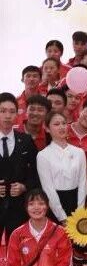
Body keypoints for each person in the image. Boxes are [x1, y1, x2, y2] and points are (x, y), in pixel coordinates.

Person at [0, 92, 40, 240]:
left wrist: (24, 187)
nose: (7, 116)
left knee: (19, 248)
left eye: (12, 111)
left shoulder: (26, 141)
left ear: (17, 114)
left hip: (18, 209)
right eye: (3, 111)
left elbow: (36, 174)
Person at [37, 111, 85, 223]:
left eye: (64, 123)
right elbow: (48, 188)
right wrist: (61, 216)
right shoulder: (43, 155)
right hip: (54, 204)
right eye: (56, 124)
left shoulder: (79, 152)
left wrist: (80, 211)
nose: (62, 127)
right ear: (47, 128)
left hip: (76, 201)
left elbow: (83, 183)